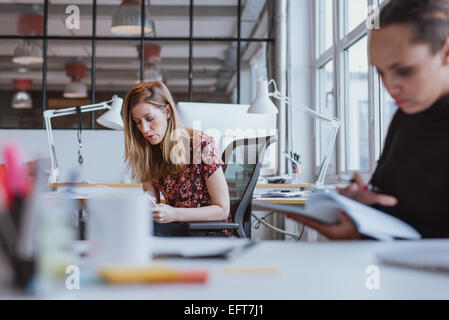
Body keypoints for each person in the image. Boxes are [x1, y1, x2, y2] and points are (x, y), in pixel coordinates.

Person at [288, 0, 449, 239]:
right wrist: (362, 200)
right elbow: (398, 204)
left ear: (446, 53)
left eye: (404, 70)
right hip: (399, 267)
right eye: (380, 72)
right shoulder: (407, 115)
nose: (390, 86)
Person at [122, 81, 230, 236]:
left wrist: (173, 214)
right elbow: (151, 202)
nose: (144, 129)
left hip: (208, 231)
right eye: (138, 122)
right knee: (127, 227)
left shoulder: (200, 143)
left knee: (137, 234)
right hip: (177, 228)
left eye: (150, 118)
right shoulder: (149, 152)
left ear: (167, 111)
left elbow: (222, 210)